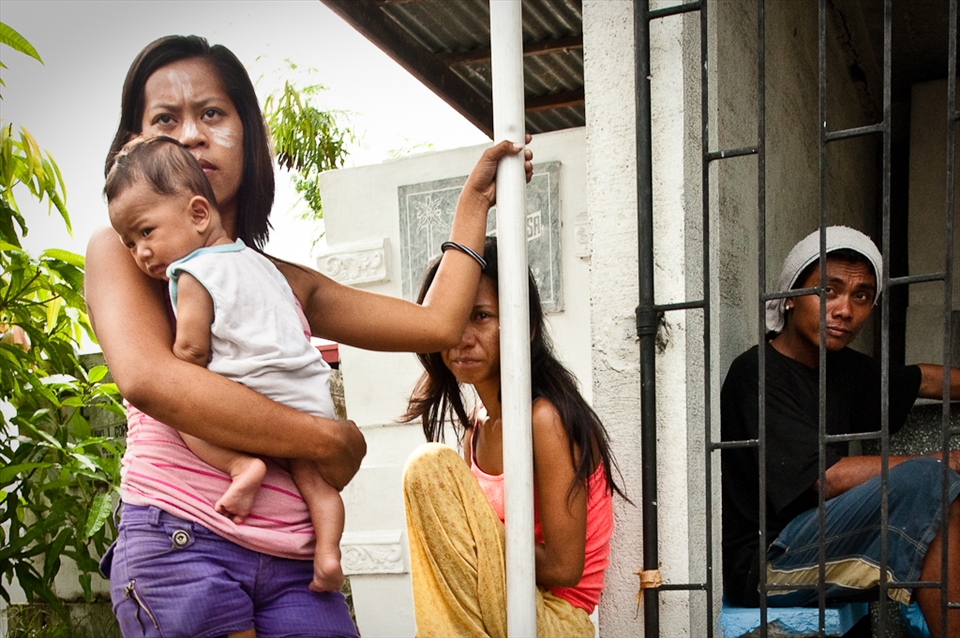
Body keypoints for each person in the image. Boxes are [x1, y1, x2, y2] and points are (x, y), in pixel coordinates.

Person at [86, 35, 533, 638]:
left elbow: (435, 325)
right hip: (184, 540)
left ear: (248, 133)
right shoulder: (131, 255)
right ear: (135, 145)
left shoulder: (283, 282)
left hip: (294, 562)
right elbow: (150, 380)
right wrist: (326, 439)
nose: (192, 134)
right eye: (166, 120)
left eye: (212, 114)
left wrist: (474, 203)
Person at [105, 134, 349, 593]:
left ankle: (243, 467)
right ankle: (330, 554)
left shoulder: (192, 272)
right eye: (130, 241)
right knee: (317, 487)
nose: (140, 252)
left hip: (253, 396)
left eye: (146, 232)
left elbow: (192, 352)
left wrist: (180, 371)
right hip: (307, 395)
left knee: (187, 418)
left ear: (198, 214)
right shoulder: (264, 267)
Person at [721, 226, 960, 638]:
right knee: (932, 481)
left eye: (861, 296)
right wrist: (946, 460)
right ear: (791, 297)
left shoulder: (842, 368)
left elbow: (923, 379)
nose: (845, 310)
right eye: (827, 291)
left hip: (827, 540)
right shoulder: (757, 373)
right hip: (768, 564)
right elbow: (825, 479)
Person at [401, 237, 627, 637]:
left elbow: (564, 567)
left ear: (527, 326)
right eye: (451, 319)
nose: (461, 338)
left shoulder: (545, 418)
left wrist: (472, 545)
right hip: (498, 608)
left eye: (481, 317)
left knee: (428, 466)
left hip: (555, 619)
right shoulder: (476, 427)